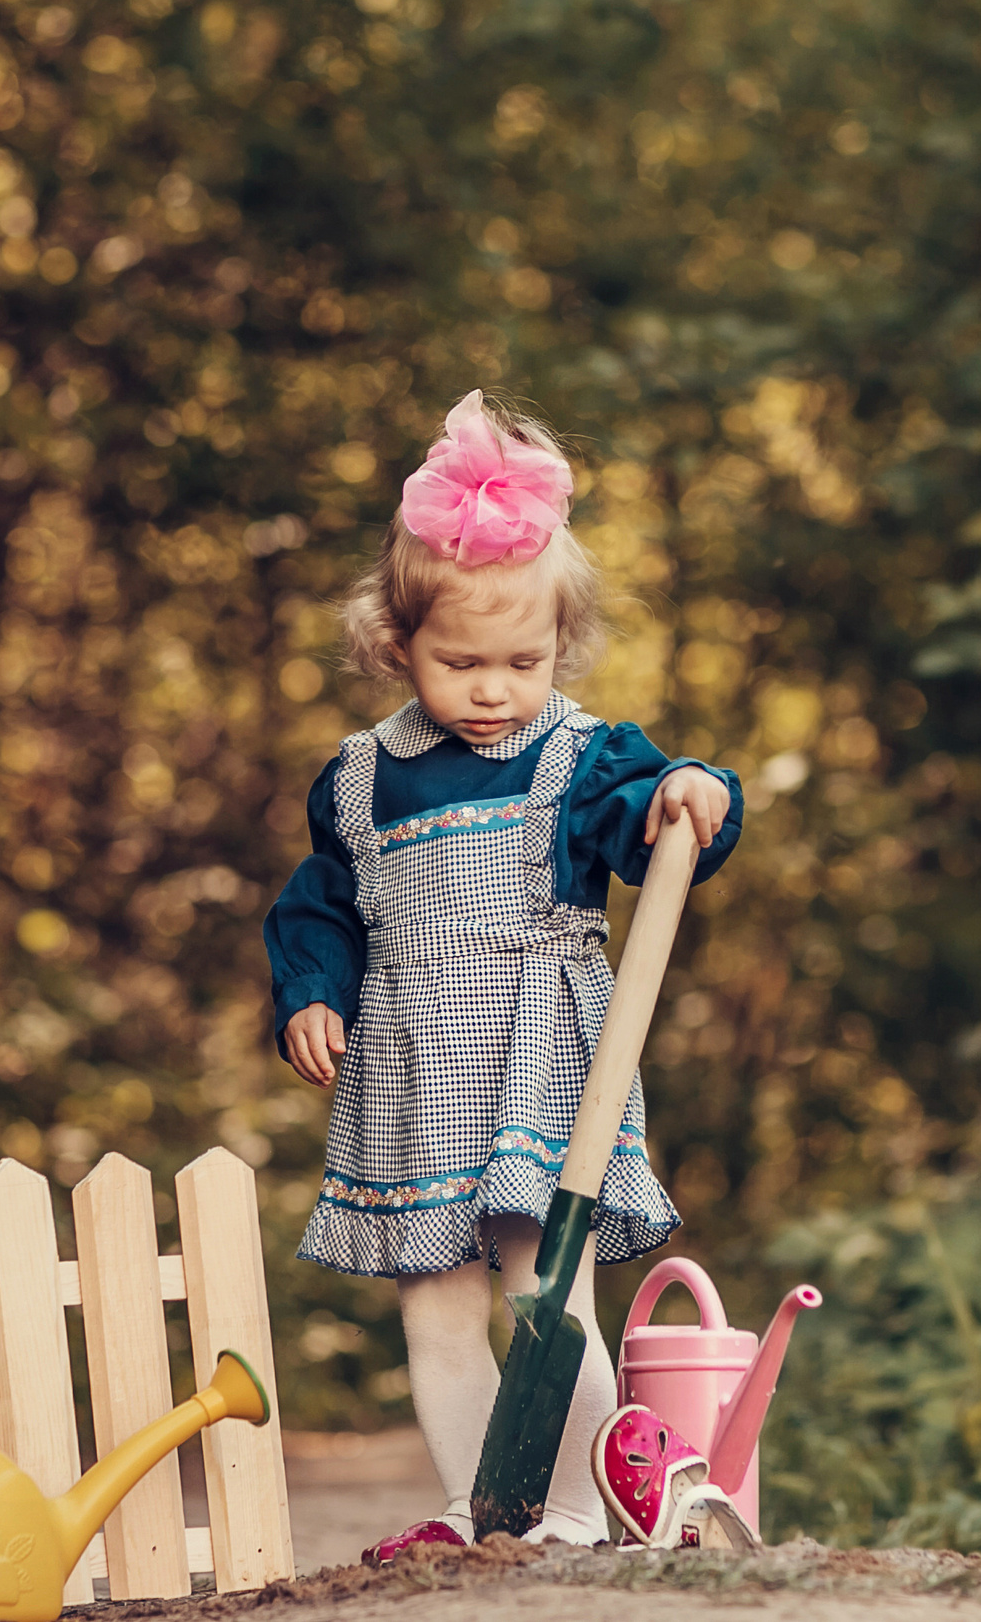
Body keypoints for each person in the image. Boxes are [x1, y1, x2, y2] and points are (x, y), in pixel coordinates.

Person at [264, 391, 743, 1560]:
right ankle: (484, 1508)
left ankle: (590, 1498)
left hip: (536, 1053)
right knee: (432, 1302)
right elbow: (320, 903)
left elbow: (652, 819)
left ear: (560, 647)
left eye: (522, 660)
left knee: (545, 1284)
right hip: (413, 1061)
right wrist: (312, 991)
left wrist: (697, 793)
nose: (493, 687)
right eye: (460, 660)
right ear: (397, 644)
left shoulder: (583, 759)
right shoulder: (358, 777)